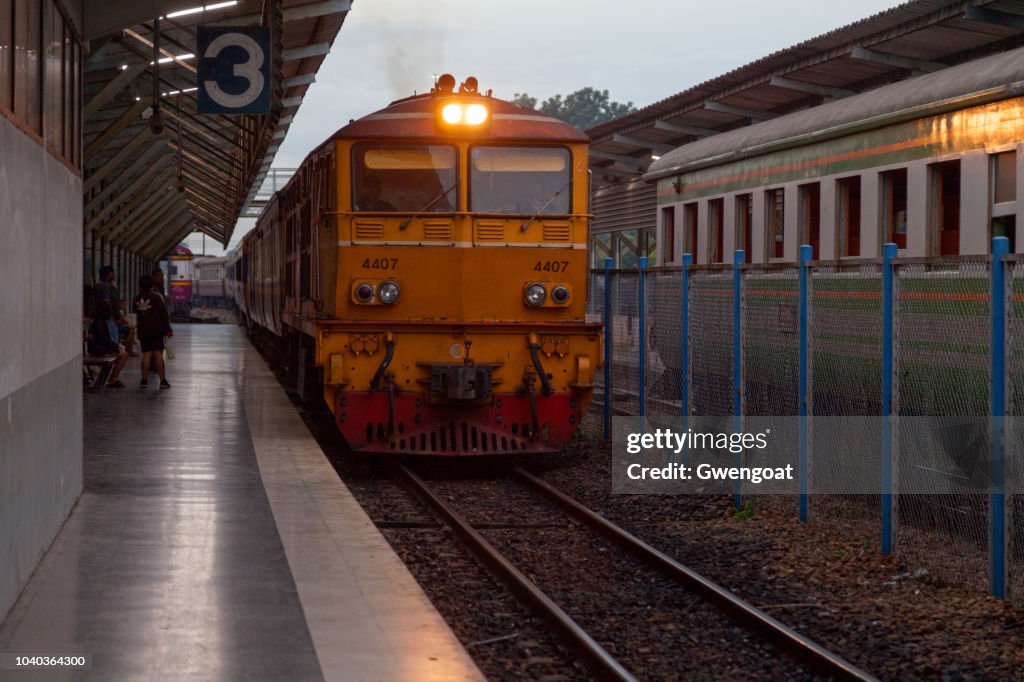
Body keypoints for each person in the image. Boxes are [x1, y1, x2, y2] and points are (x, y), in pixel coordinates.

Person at [134, 275, 172, 389]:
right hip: (156, 330)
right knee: (158, 355)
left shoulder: (136, 298)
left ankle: (144, 380)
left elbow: (135, 314)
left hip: (143, 330)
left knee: (146, 354)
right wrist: (168, 330)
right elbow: (164, 315)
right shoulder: (156, 297)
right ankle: (163, 381)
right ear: (151, 284)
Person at [87, 301, 129, 388]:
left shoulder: (98, 320)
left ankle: (111, 378)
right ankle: (113, 379)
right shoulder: (100, 322)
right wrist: (115, 346)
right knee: (124, 354)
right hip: (98, 349)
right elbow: (104, 339)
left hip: (97, 347)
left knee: (121, 352)